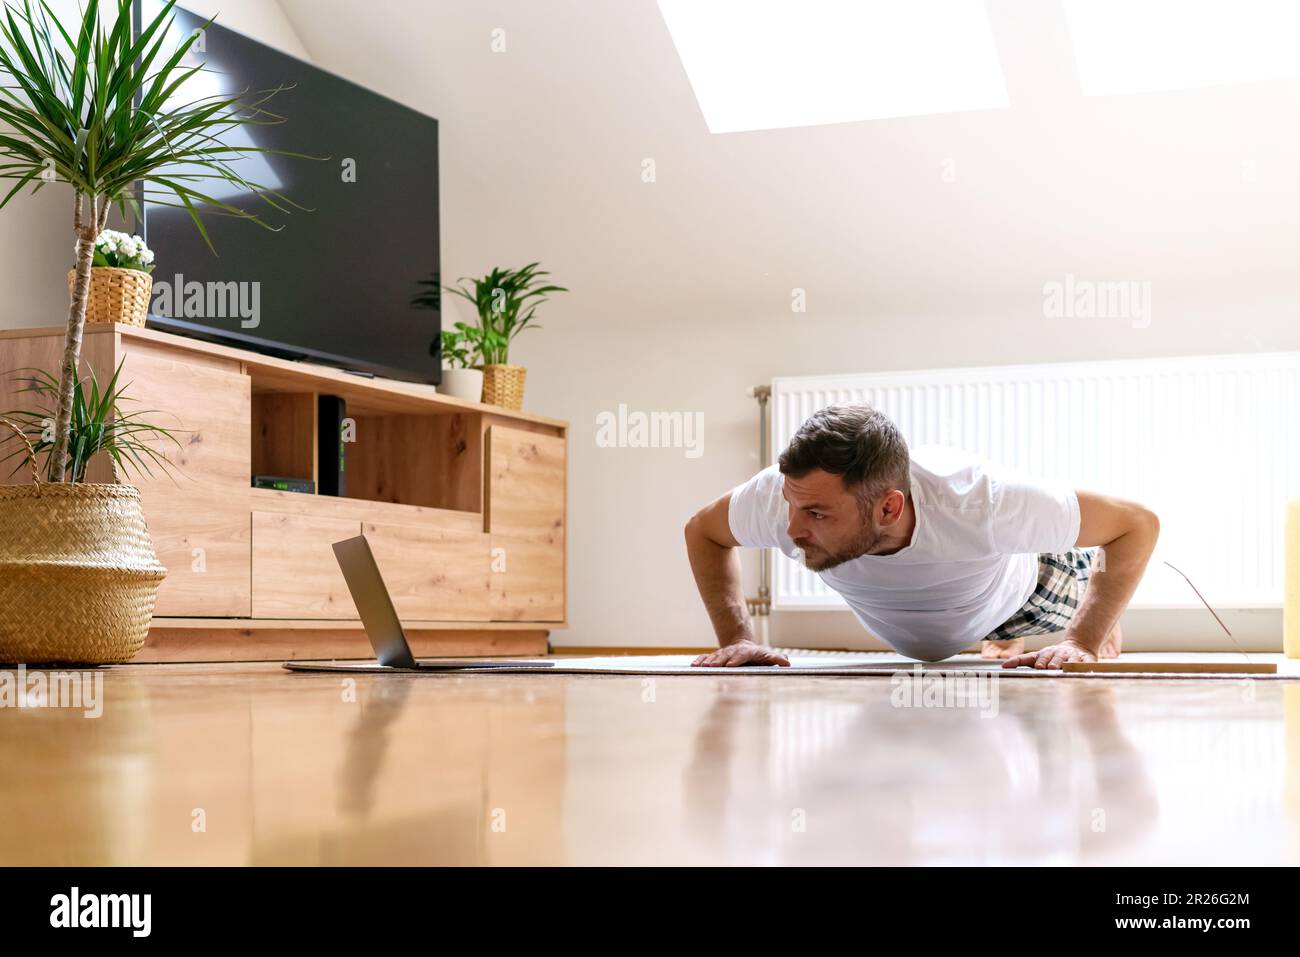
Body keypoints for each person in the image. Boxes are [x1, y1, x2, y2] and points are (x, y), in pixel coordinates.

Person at [684, 404, 1159, 669]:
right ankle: (995, 641)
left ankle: (1051, 625)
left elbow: (1135, 525)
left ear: (889, 507)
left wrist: (1083, 639)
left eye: (816, 514)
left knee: (1077, 579)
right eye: (791, 506)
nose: (791, 529)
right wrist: (737, 640)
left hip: (1021, 593)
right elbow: (703, 532)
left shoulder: (984, 503)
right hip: (939, 615)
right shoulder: (779, 497)